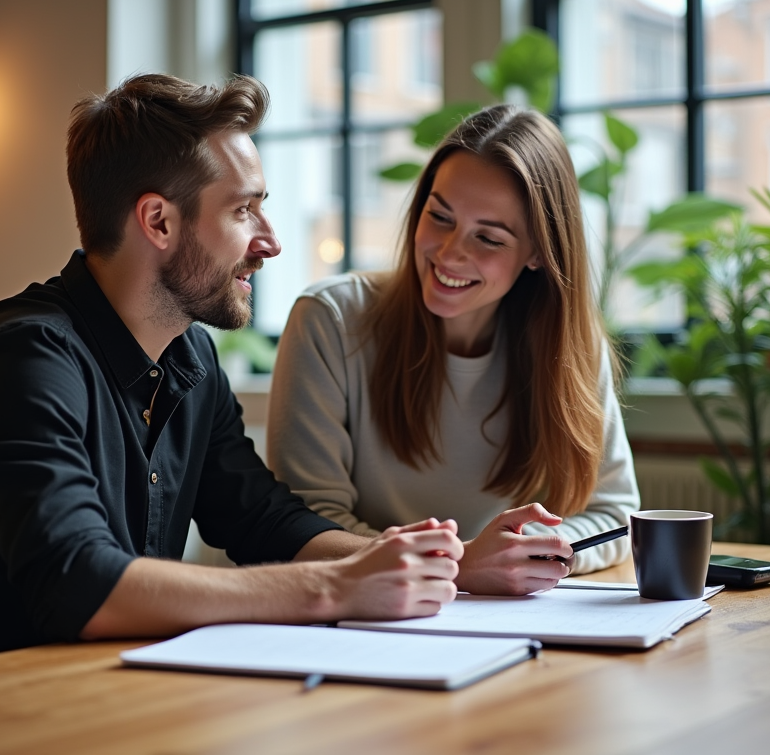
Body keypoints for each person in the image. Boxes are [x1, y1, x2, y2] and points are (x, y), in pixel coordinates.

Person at [0, 74, 462, 674]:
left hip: (99, 701)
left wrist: (430, 563)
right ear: (158, 222)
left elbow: (262, 519)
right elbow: (81, 585)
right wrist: (333, 588)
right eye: (243, 210)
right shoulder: (22, 361)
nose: (270, 242)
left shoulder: (191, 357)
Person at [267, 104, 640, 596]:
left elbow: (614, 511)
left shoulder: (567, 345)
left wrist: (528, 554)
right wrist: (461, 564)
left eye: (488, 237)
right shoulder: (330, 319)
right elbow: (307, 526)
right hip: (362, 612)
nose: (449, 253)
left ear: (536, 253)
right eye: (439, 216)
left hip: (505, 624)